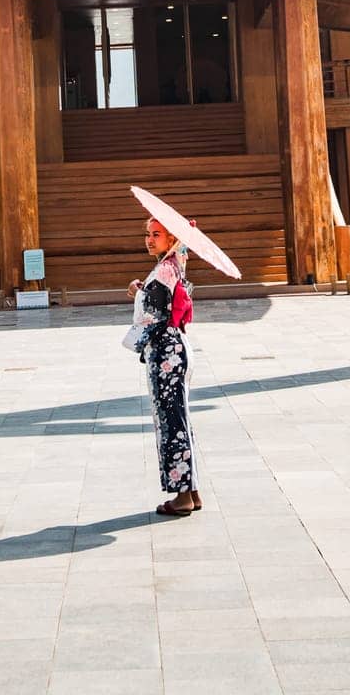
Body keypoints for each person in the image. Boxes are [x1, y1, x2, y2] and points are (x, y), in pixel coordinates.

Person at [126, 216, 200, 517]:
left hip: (166, 352)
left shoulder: (164, 269)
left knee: (170, 423)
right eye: (148, 234)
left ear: (172, 239)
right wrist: (143, 289)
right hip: (178, 346)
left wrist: (138, 293)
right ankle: (191, 491)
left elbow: (152, 317)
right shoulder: (175, 266)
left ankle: (182, 497)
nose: (150, 239)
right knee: (179, 419)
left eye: (157, 234)